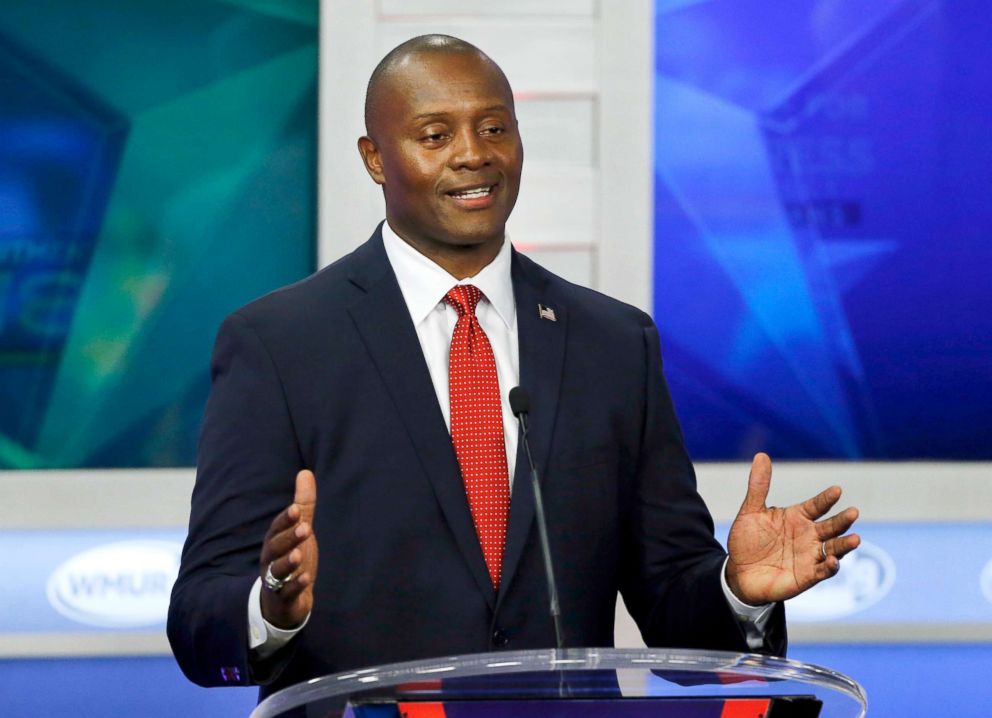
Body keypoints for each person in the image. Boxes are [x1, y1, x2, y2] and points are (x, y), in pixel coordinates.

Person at [168, 35, 860, 700]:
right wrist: (275, 603)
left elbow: (675, 609)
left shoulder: (614, 343)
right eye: (435, 135)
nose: (473, 155)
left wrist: (737, 590)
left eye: (495, 128)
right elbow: (200, 620)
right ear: (375, 158)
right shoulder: (280, 343)